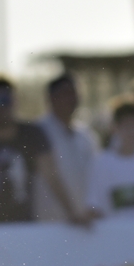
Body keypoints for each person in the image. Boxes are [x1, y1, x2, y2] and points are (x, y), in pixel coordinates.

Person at [0, 77, 88, 224]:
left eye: (4, 99)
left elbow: (52, 177)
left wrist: (72, 212)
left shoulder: (32, 134)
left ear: (15, 101)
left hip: (21, 226)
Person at [32, 73, 97, 223]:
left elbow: (95, 178)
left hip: (82, 225)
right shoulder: (38, 132)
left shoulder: (86, 136)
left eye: (74, 93)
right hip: (46, 226)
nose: (71, 99)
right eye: (65, 93)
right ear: (50, 99)